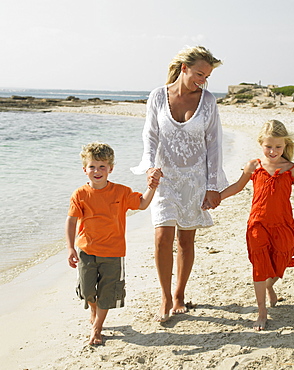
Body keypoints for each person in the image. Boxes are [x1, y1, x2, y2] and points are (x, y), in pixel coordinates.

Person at [131, 46, 228, 322]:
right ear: (184, 68)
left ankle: (179, 295)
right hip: (165, 178)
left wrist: (212, 185)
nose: (203, 80)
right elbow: (150, 136)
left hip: (195, 179)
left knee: (186, 239)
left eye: (207, 76)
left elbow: (214, 145)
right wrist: (149, 167)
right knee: (162, 238)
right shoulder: (157, 96)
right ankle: (164, 296)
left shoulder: (208, 101)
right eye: (199, 73)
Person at [219, 120, 294, 331]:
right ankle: (262, 312)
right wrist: (217, 198)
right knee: (260, 267)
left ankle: (269, 286)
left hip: (283, 225)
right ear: (261, 144)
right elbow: (236, 187)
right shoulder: (254, 166)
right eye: (268, 146)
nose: (273, 151)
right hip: (257, 224)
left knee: (282, 262)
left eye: (278, 147)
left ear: (285, 145)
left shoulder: (291, 169)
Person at [66, 142, 162, 344]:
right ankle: (94, 311)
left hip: (113, 253)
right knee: (87, 291)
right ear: (85, 169)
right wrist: (70, 248)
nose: (97, 171)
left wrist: (151, 187)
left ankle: (97, 328)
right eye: (92, 166)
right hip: (86, 250)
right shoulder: (80, 194)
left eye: (102, 166)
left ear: (111, 168)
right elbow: (72, 220)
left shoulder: (121, 192)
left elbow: (142, 204)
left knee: (108, 292)